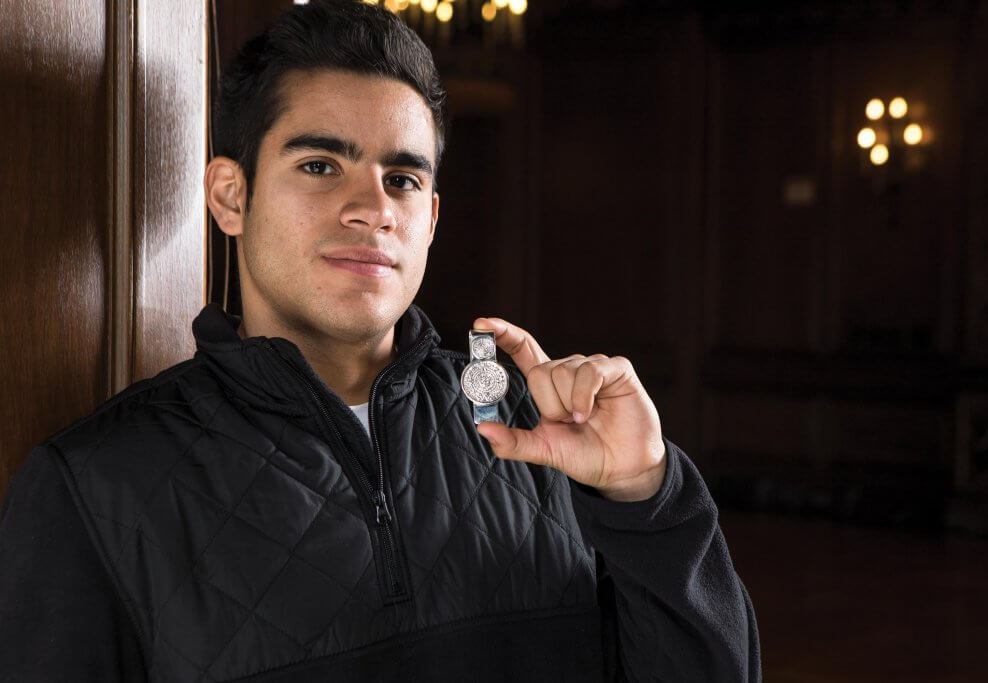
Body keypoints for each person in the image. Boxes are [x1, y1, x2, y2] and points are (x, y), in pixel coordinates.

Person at [0, 0, 760, 680]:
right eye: (322, 164)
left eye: (402, 178)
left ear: (430, 217)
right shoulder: (93, 483)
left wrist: (643, 493)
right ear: (232, 195)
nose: (373, 209)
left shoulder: (544, 430)